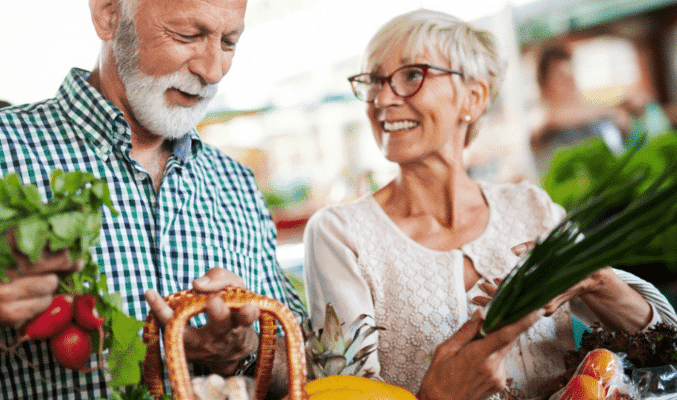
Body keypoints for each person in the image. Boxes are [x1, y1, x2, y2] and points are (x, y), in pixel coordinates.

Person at [303, 9, 677, 400]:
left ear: (474, 97)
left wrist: (594, 280)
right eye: (373, 81)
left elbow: (664, 341)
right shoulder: (340, 234)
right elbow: (342, 392)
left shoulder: (531, 208)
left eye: (412, 75)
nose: (381, 98)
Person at [0, 0, 306, 399]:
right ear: (109, 14)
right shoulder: (6, 149)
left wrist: (244, 350)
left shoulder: (237, 184)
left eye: (229, 42)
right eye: (188, 35)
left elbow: (306, 367)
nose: (212, 70)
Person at [529, 45, 647, 174]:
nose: (571, 83)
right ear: (543, 85)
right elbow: (553, 121)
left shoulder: (592, 115)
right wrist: (613, 111)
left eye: (572, 75)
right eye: (562, 77)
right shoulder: (542, 125)